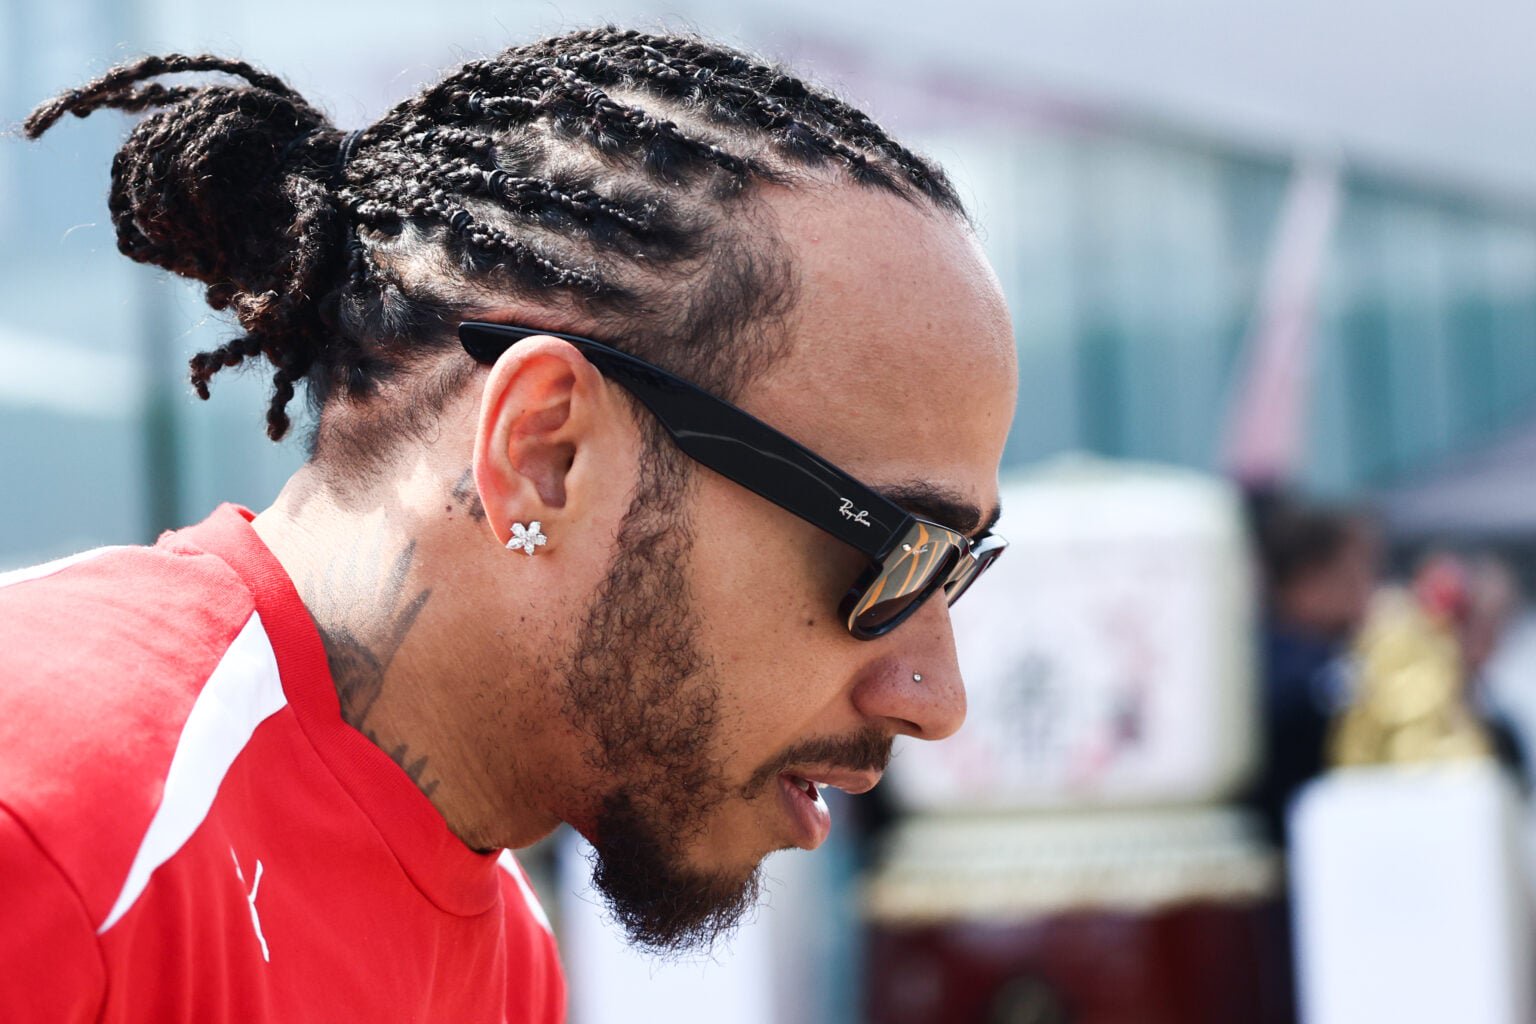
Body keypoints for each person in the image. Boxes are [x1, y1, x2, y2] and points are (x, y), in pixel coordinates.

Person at [2, 27, 1017, 1024]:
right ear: (545, 454)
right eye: (895, 551)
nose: (937, 698)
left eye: (958, 571)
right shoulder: (56, 834)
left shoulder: (509, 956)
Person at [1243, 490, 1379, 844]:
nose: (1368, 592)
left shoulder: (1316, 662)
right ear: (1309, 582)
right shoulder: (1295, 671)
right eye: (1353, 574)